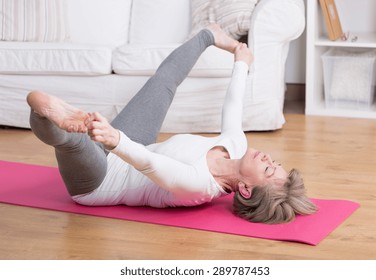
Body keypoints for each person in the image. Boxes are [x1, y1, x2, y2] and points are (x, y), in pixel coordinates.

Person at [26, 24, 317, 224]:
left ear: (244, 189)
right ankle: (208, 35)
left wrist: (113, 139)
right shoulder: (235, 146)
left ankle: (43, 112)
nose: (268, 157)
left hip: (99, 181)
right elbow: (234, 105)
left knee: (73, 139)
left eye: (267, 168)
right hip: (130, 145)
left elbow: (149, 164)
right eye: (274, 161)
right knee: (163, 84)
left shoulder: (197, 186)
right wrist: (242, 62)